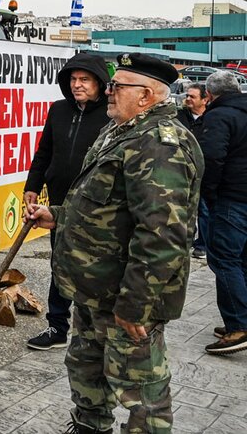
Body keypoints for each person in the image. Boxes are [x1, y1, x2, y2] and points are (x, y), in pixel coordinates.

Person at [25, 53, 202, 434]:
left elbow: (162, 235)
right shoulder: (119, 130)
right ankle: (89, 426)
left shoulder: (159, 144)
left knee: (140, 391)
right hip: (94, 290)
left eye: (116, 86)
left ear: (146, 95)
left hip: (126, 298)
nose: (108, 91)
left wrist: (135, 305)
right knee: (87, 369)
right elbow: (102, 202)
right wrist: (57, 214)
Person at [22, 53, 111, 351]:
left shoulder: (111, 116)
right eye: (73, 79)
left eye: (84, 79)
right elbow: (44, 151)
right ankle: (57, 326)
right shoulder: (58, 110)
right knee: (59, 262)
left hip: (95, 207)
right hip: (58, 203)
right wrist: (32, 185)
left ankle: (93, 329)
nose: (77, 85)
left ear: (100, 82)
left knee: (90, 267)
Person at [199, 70, 247, 354]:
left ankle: (239, 326)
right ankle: (238, 318)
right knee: (241, 261)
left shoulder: (219, 116)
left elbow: (212, 158)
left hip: (231, 199)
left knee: (225, 260)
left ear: (209, 94)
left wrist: (209, 194)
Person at [180, 82, 211, 259]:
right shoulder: (180, 116)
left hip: (204, 171)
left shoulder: (211, 118)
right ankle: (187, 238)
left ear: (205, 99)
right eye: (187, 96)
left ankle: (203, 244)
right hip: (183, 170)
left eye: (192, 96)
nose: (188, 99)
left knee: (204, 210)